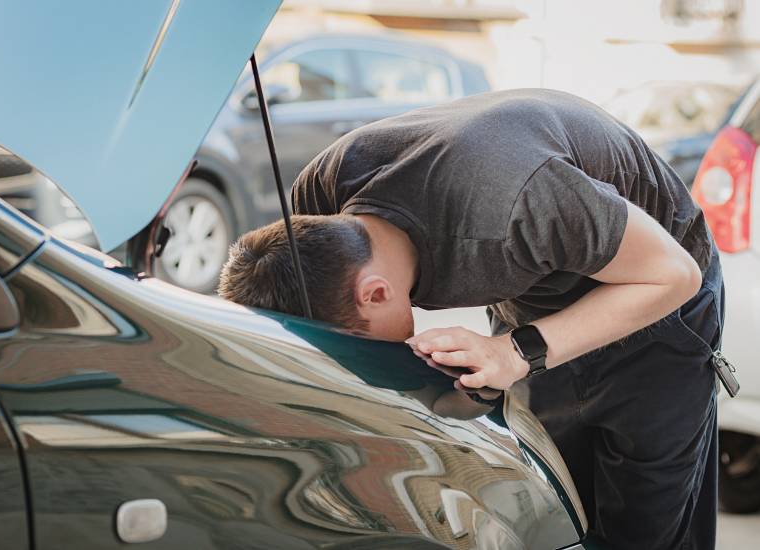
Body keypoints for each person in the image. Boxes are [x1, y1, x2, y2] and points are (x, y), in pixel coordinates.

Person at [218, 89, 723, 549]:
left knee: (644, 528)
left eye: (362, 349)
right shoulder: (319, 205)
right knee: (556, 510)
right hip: (537, 293)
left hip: (655, 297)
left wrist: (514, 352)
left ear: (374, 292)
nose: (368, 366)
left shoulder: (510, 203)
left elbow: (674, 275)